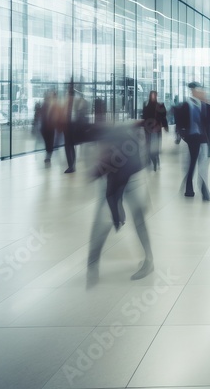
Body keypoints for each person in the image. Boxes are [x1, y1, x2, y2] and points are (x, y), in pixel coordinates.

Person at [87, 122, 154, 288]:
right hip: (125, 171)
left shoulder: (115, 156)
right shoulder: (109, 139)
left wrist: (117, 212)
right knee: (103, 218)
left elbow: (113, 187)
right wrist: (117, 211)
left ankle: (149, 260)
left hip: (134, 175)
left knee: (136, 218)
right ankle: (92, 263)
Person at [174, 82, 210, 200]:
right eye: (198, 91)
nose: (201, 93)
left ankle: (203, 189)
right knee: (191, 164)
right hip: (190, 139)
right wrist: (182, 135)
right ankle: (189, 187)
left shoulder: (205, 105)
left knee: (202, 164)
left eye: (201, 91)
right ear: (193, 92)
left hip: (202, 139)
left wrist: (208, 103)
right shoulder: (186, 105)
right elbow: (179, 121)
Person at [61, 85, 91, 174]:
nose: (68, 94)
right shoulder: (68, 101)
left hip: (72, 125)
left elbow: (79, 114)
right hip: (67, 125)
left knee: (70, 145)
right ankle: (71, 165)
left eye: (69, 92)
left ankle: (71, 166)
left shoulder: (76, 102)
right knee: (68, 145)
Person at [141, 90, 168, 171]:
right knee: (148, 144)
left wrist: (166, 126)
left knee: (155, 145)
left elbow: (163, 117)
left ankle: (155, 158)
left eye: (154, 95)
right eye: (151, 95)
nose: (153, 97)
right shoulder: (146, 105)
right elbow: (144, 116)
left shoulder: (160, 106)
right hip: (148, 128)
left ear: (156, 96)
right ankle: (150, 159)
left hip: (156, 128)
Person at [37, 89, 58, 164]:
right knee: (48, 142)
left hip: (50, 127)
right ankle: (48, 155)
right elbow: (41, 115)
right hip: (44, 127)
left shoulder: (53, 105)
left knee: (50, 142)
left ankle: (48, 157)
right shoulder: (45, 105)